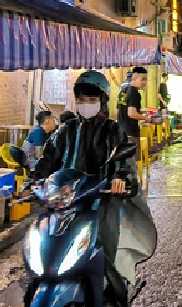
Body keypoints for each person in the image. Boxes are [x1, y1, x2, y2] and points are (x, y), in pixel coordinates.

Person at [33, 71, 132, 265]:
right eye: (81, 99)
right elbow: (48, 160)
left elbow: (124, 161)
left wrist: (119, 178)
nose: (86, 104)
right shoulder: (65, 130)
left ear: (102, 101)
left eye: (92, 99)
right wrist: (33, 180)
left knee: (106, 248)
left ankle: (111, 291)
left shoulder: (113, 130)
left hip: (102, 201)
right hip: (65, 201)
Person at [118, 66, 151, 144]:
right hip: (130, 133)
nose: (145, 82)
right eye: (142, 79)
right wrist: (146, 119)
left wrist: (141, 113)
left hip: (121, 132)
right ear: (134, 78)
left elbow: (120, 110)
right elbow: (132, 114)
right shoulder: (134, 92)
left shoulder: (123, 91)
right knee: (133, 155)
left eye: (146, 79)